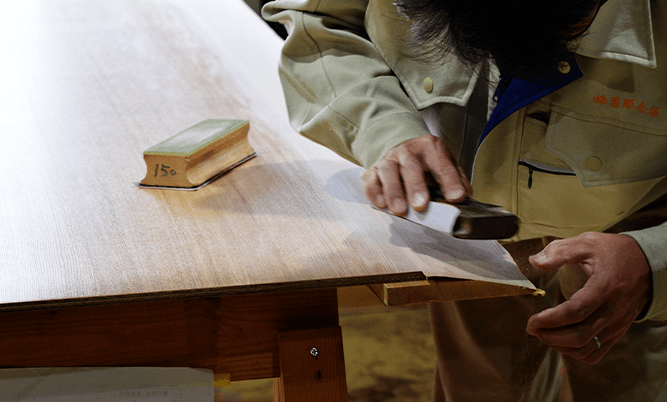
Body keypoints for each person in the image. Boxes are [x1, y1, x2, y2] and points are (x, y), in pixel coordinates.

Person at [263, 0, 667, 400]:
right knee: (480, 388)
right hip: (474, 229)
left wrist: (653, 259)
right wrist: (385, 128)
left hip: (639, 220)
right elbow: (314, 18)